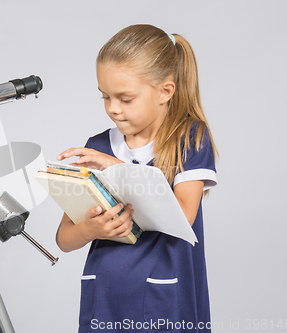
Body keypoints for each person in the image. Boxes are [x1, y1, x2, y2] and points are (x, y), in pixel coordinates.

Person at [55, 24, 218, 332]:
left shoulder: (190, 139)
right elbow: (64, 238)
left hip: (164, 300)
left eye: (125, 98)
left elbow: (182, 216)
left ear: (164, 91)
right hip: (103, 300)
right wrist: (90, 229)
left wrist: (116, 168)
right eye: (105, 97)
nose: (113, 109)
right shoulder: (97, 145)